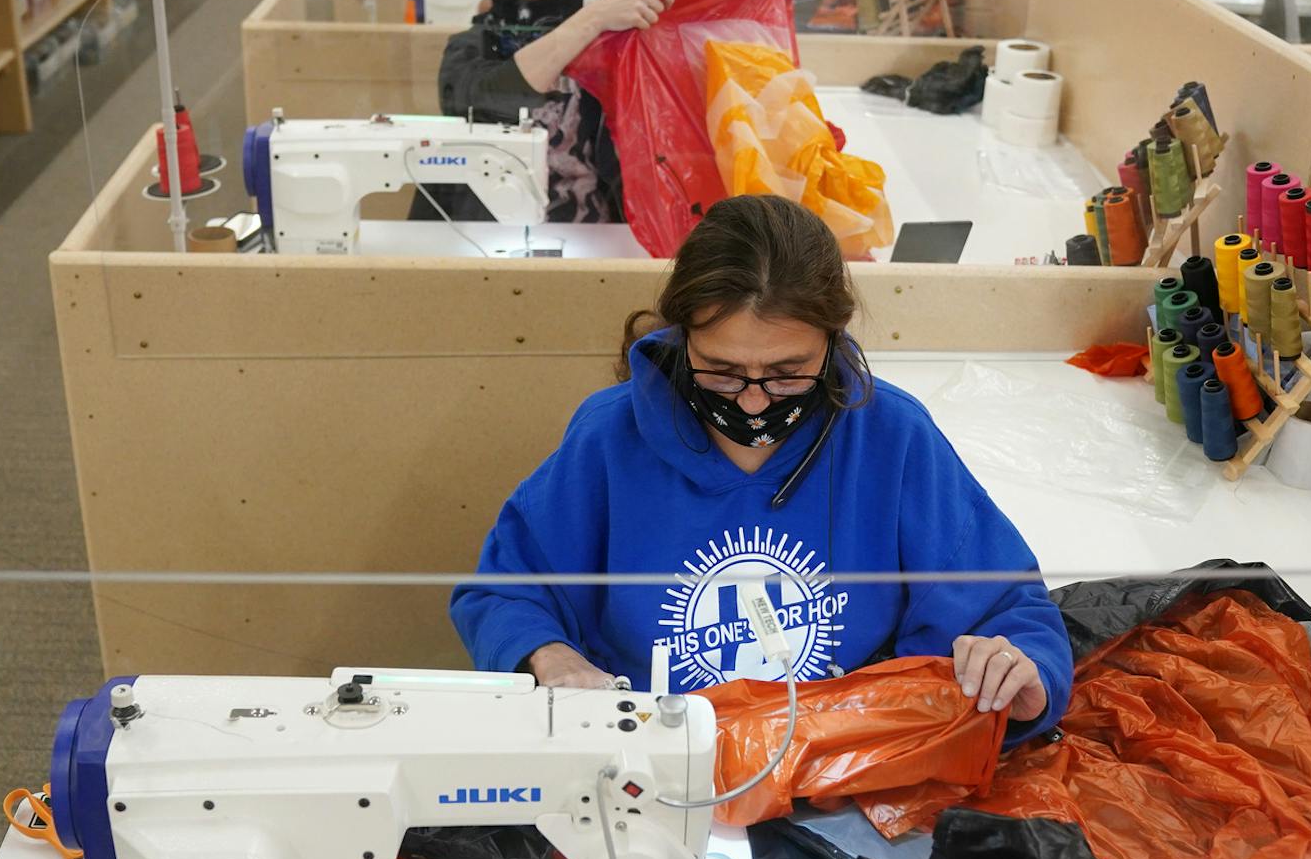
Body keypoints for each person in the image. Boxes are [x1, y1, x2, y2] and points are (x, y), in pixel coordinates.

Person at [451, 193, 1074, 729]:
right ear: (681, 337)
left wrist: (1024, 675)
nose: (752, 398)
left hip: (840, 766)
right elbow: (505, 592)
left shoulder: (892, 437)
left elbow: (1011, 610)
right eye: (721, 371)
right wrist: (548, 655)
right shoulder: (609, 439)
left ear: (832, 341)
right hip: (650, 768)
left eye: (786, 373)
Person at [434, 0, 674, 224]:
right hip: (496, 236)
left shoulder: (597, 46)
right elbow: (493, 95)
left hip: (601, 233)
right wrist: (593, 17)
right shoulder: (468, 50)